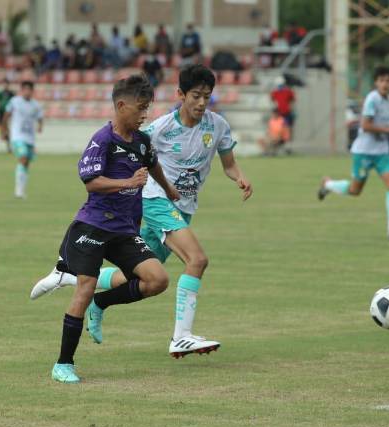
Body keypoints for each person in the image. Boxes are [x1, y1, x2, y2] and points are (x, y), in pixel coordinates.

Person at [31, 65, 253, 359]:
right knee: (197, 260)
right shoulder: (160, 127)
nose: (201, 103)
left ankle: (73, 280)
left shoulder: (218, 126)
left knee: (141, 276)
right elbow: (128, 139)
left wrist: (238, 176)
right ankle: (181, 337)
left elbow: (227, 164)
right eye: (196, 96)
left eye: (207, 97)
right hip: (154, 201)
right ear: (181, 95)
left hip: (182, 207)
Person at [42, 75, 180, 384]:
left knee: (157, 280)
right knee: (86, 285)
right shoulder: (102, 140)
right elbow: (91, 182)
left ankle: (101, 303)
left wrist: (168, 189)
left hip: (124, 230)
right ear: (121, 105)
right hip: (92, 226)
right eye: (141, 108)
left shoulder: (142, 141)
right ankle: (63, 364)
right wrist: (128, 183)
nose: (145, 115)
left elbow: (153, 164)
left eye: (148, 108)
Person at [317, 65, 389, 241]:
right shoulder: (372, 99)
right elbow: (365, 126)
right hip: (364, 152)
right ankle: (328, 184)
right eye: (382, 80)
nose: (385, 84)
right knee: (355, 190)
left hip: (382, 152)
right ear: (376, 82)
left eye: (388, 80)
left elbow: (387, 124)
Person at [2, 81, 44, 199]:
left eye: (29, 90)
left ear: (32, 91)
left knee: (26, 163)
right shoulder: (15, 102)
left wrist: (40, 126)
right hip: (17, 136)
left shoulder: (35, 105)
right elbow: (6, 115)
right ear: (22, 90)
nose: (27, 92)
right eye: (25, 89)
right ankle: (18, 191)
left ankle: (22, 189)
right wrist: (4, 129)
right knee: (23, 157)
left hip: (30, 138)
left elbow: (40, 117)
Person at [270, 75, 295, 139]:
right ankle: (285, 138)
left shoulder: (276, 92)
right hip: (283, 112)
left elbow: (272, 99)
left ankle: (285, 138)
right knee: (285, 126)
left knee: (285, 126)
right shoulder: (287, 91)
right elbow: (292, 99)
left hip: (283, 112)